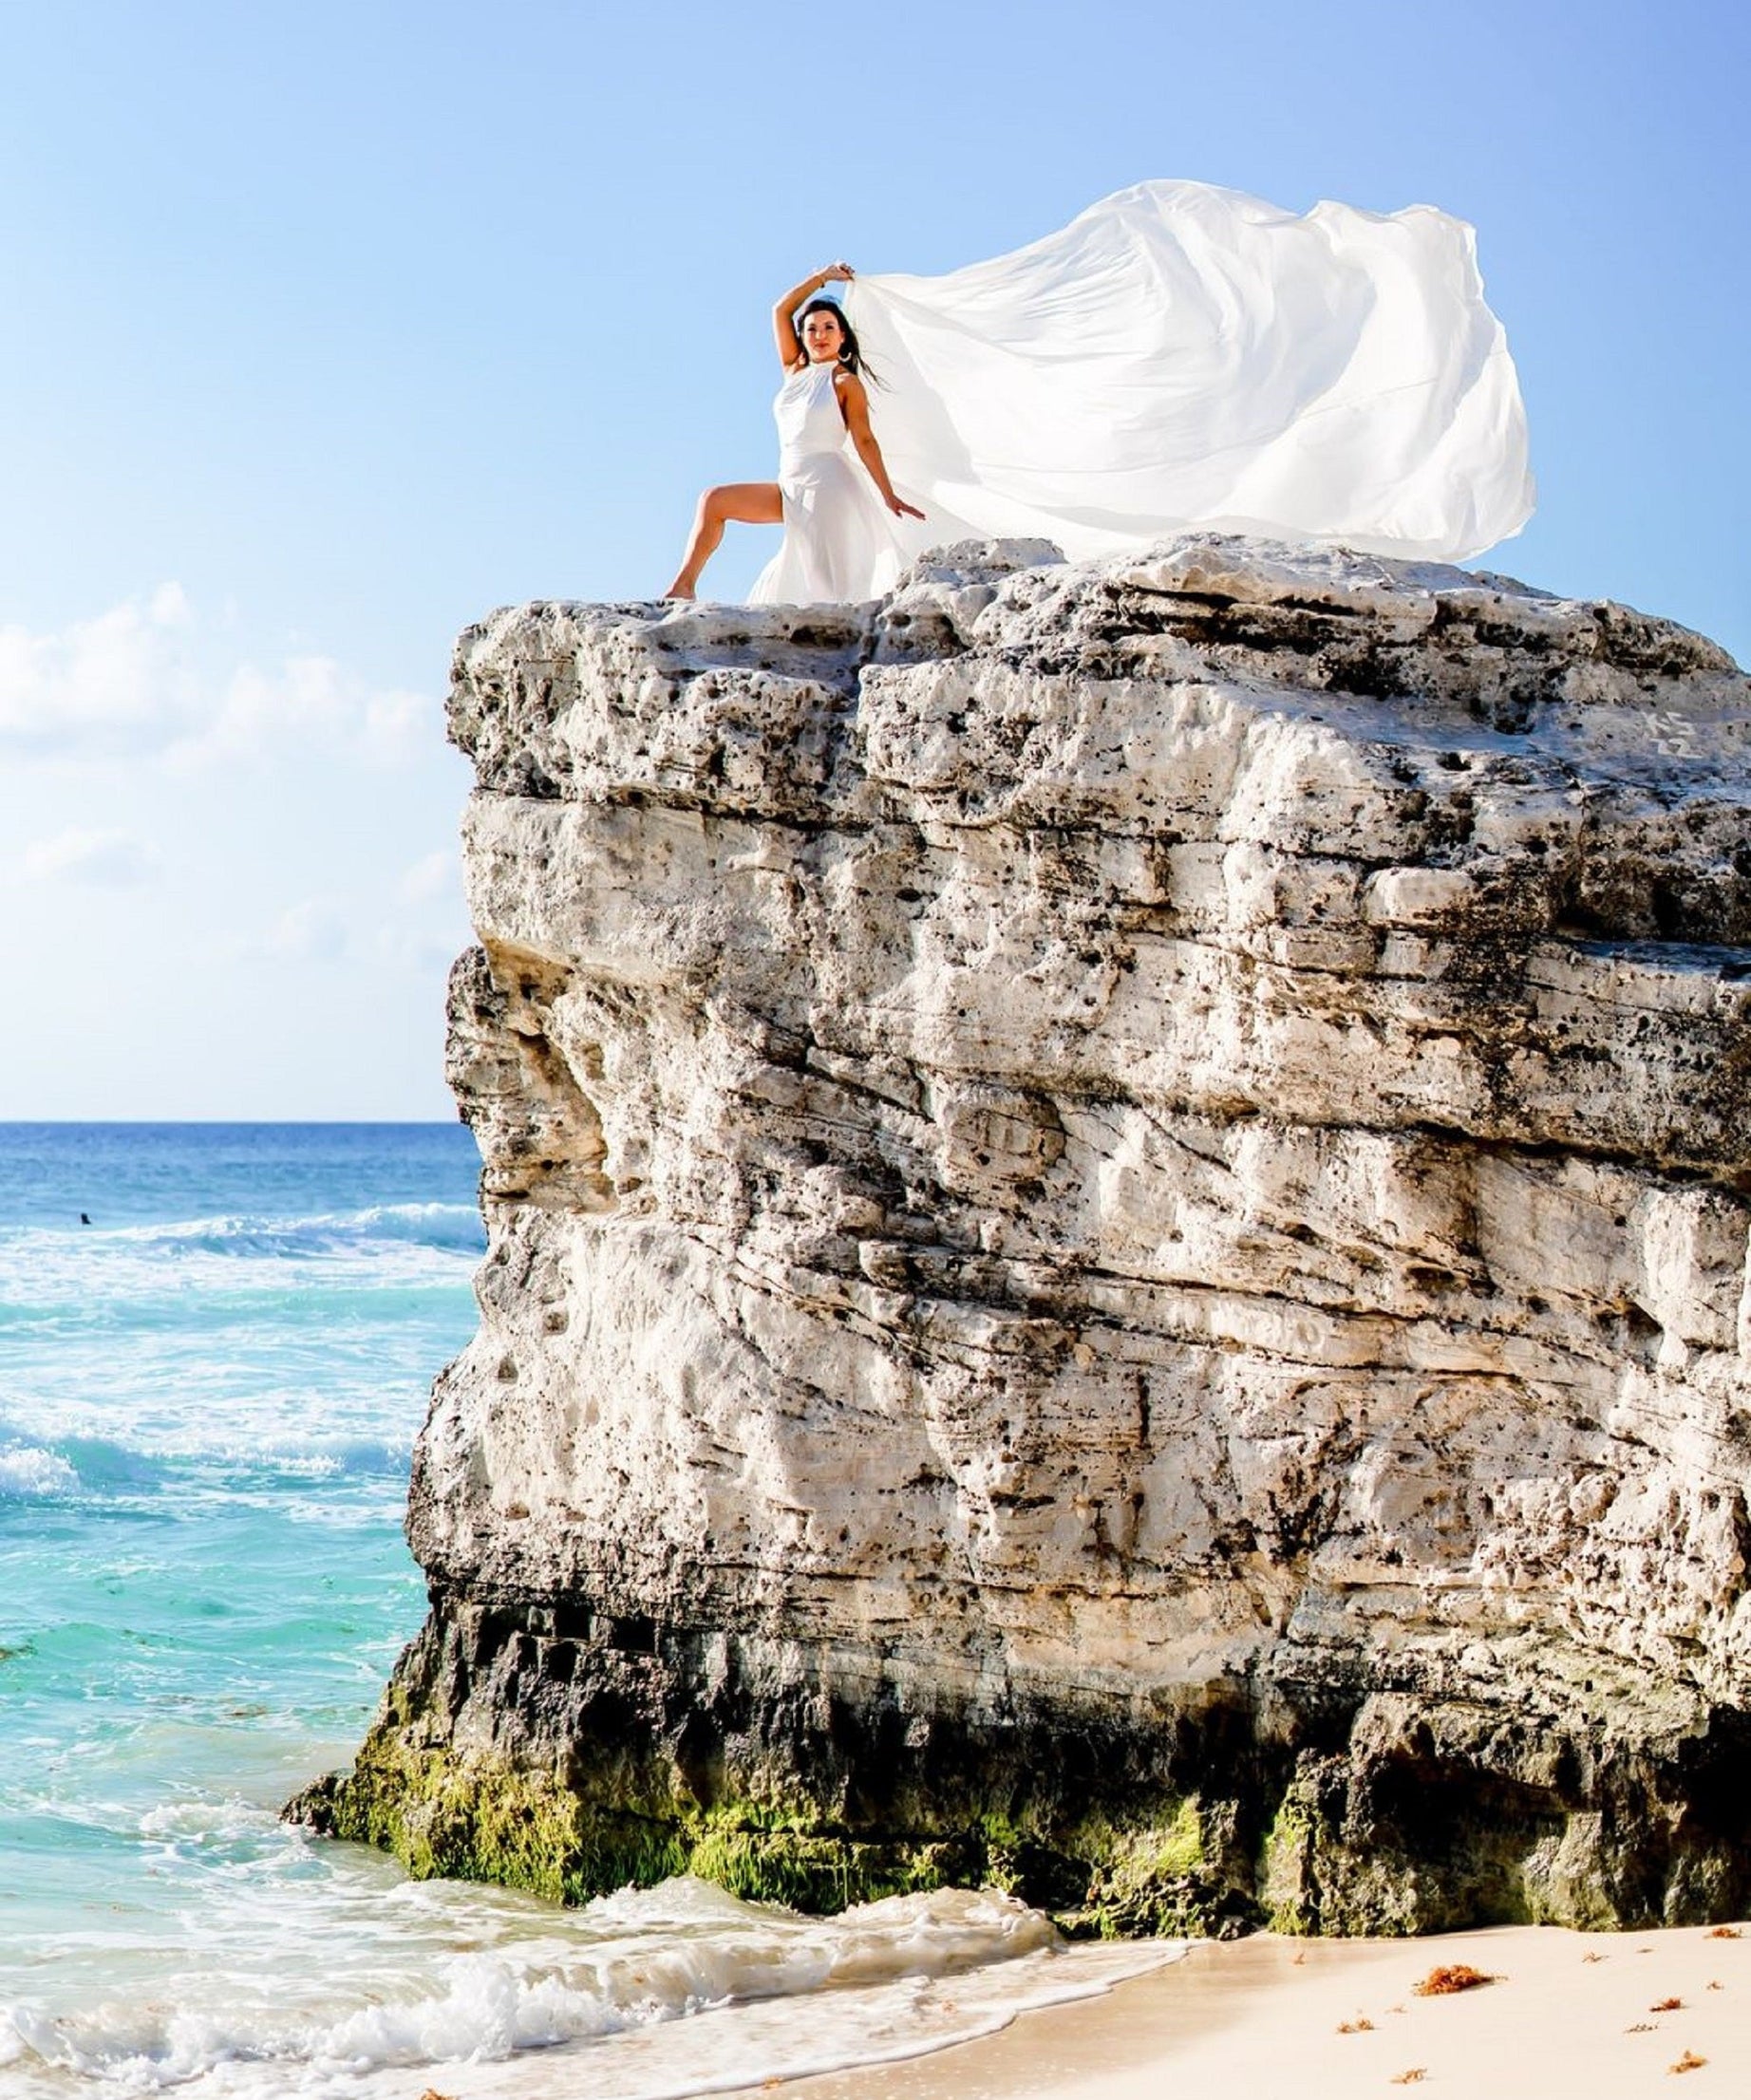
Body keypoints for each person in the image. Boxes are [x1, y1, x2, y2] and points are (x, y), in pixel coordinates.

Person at [662, 263, 925, 605]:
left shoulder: (845, 382)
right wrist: (822, 278)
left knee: (824, 583)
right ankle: (683, 587)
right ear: (802, 336)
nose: (820, 335)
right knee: (713, 500)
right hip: (790, 483)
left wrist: (887, 495)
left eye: (829, 327)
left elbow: (864, 439)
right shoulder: (795, 371)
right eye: (812, 328)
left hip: (827, 484)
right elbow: (780, 309)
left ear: (843, 337)